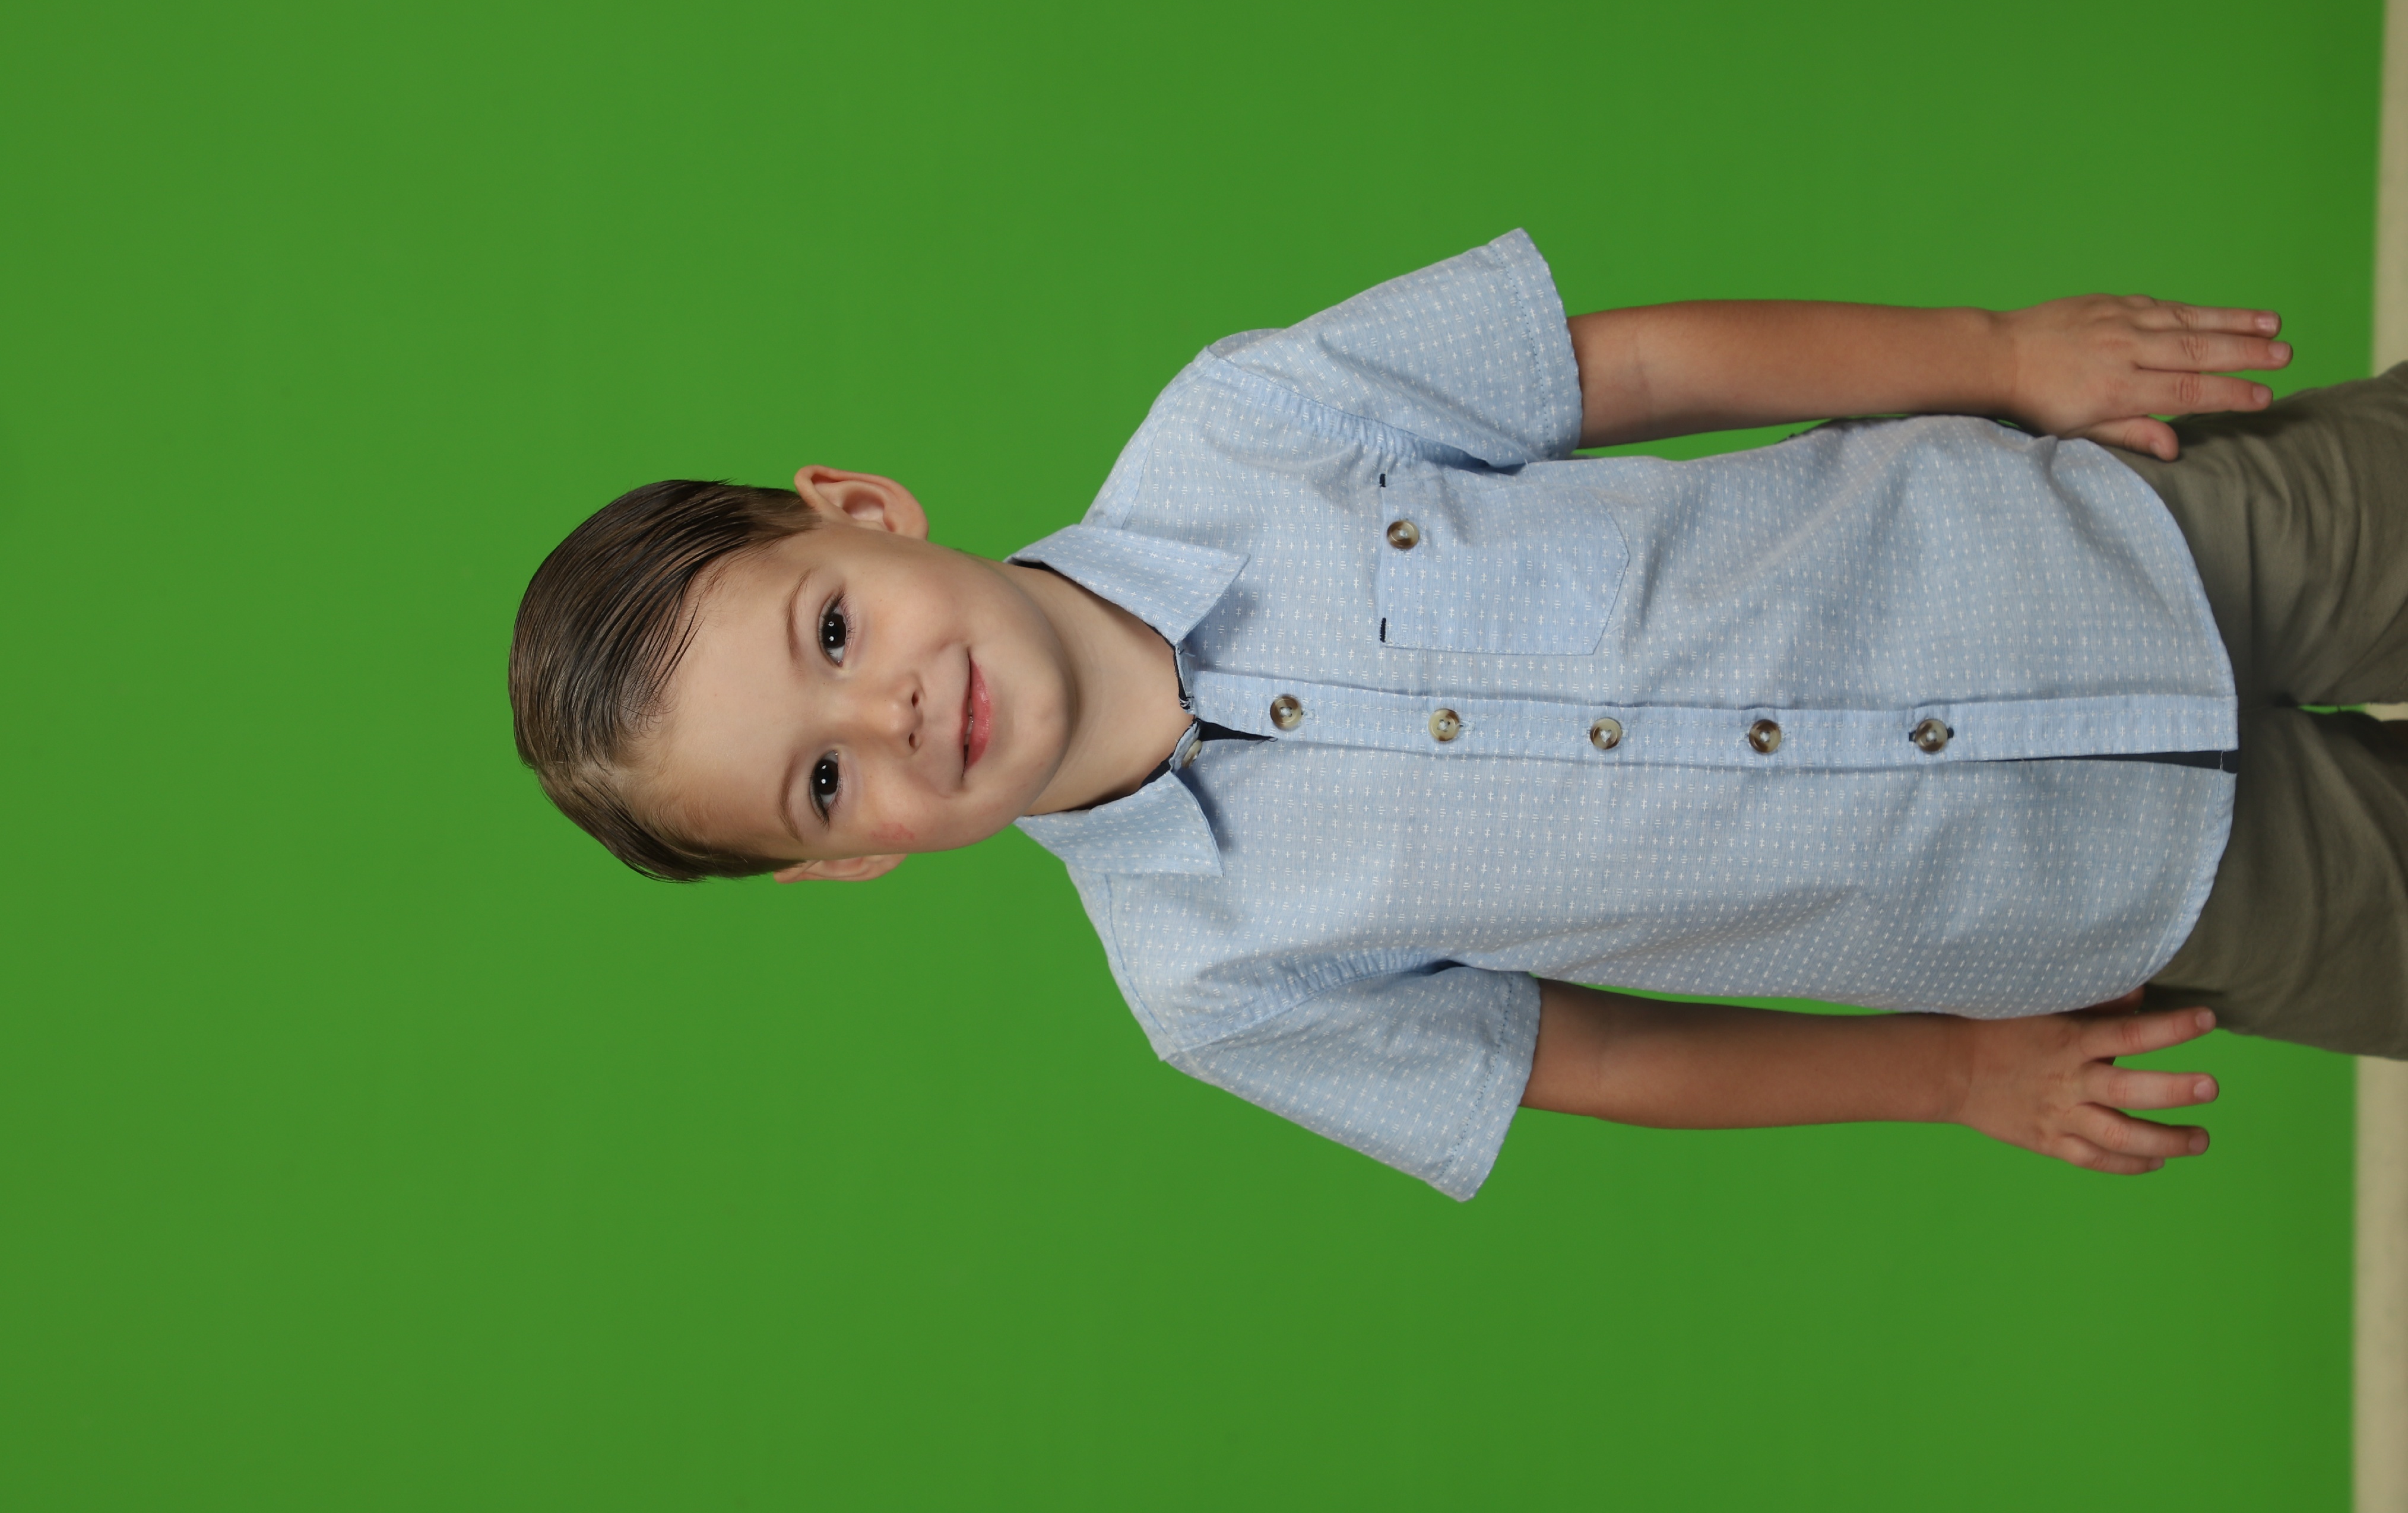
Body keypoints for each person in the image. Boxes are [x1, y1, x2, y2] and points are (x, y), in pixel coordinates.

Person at [509, 231, 2407, 1201]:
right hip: (2104, 894)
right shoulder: (1211, 985)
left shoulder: (1243, 422)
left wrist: (1997, 356)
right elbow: (1600, 1056)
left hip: (2107, 539)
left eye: (835, 631)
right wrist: (1954, 1077)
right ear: (846, 864)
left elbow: (1635, 369)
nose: (897, 712)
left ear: (858, 511)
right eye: (821, 780)